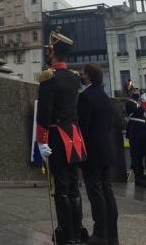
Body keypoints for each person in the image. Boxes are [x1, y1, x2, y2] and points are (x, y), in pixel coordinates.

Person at [36, 29, 87, 245]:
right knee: (74, 187)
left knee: (61, 188)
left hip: (57, 136)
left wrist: (41, 140)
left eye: (50, 50)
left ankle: (66, 234)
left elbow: (44, 114)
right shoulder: (74, 78)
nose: (48, 53)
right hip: (74, 136)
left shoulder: (49, 77)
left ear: (54, 51)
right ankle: (77, 232)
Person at [78, 63, 119, 245]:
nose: (81, 74)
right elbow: (110, 124)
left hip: (92, 152)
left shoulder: (85, 96)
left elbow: (82, 127)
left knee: (96, 193)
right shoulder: (104, 96)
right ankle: (112, 235)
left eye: (83, 72)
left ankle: (100, 234)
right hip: (106, 150)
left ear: (87, 76)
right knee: (107, 192)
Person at [125, 88, 146, 187]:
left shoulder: (138, 103)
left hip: (142, 132)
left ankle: (142, 175)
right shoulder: (129, 103)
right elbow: (136, 114)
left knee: (141, 154)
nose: (136, 93)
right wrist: (143, 104)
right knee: (136, 156)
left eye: (137, 92)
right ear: (130, 93)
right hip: (135, 133)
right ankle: (138, 178)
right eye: (134, 92)